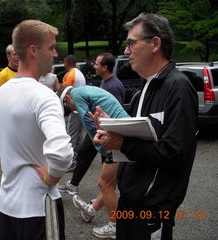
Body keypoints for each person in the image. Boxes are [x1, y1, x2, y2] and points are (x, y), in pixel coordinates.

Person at [93, 13, 198, 240]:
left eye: (131, 43)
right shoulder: (145, 87)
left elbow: (176, 152)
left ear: (155, 44)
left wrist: (123, 143)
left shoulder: (178, 87)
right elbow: (141, 139)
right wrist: (110, 131)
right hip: (130, 202)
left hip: (152, 211)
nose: (126, 51)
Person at [0, 20, 73, 240]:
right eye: (51, 47)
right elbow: (62, 152)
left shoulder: (4, 91)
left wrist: (9, 163)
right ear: (33, 50)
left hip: (8, 206)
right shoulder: (44, 96)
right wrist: (51, 178)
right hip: (39, 207)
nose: (55, 54)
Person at [60, 52, 126, 239]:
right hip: (118, 134)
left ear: (67, 99)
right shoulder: (89, 89)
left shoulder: (77, 94)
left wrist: (103, 149)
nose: (70, 110)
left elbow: (89, 126)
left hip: (116, 137)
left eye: (68, 107)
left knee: (106, 183)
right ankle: (91, 210)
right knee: (110, 182)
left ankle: (116, 226)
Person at [62, 55, 86, 171]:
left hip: (73, 109)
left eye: (64, 62)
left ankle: (71, 163)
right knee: (78, 137)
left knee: (70, 136)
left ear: (67, 62)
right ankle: (79, 160)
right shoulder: (79, 73)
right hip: (81, 108)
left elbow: (65, 92)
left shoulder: (70, 74)